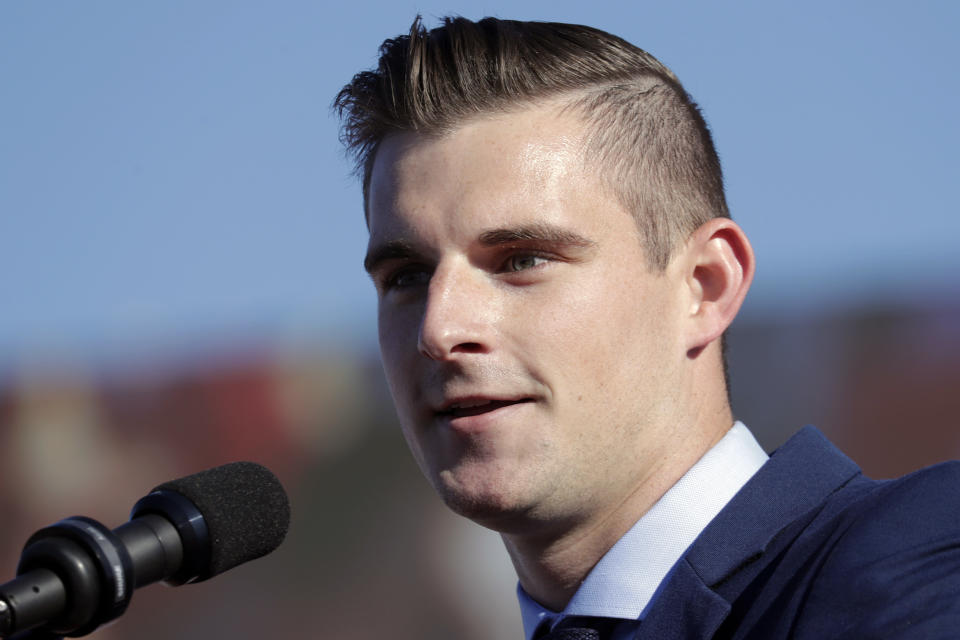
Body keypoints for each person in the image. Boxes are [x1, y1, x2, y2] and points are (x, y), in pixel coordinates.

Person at [335, 16, 960, 639]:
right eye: (407, 277)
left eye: (523, 260)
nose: (439, 329)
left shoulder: (915, 565)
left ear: (704, 286)